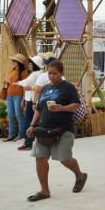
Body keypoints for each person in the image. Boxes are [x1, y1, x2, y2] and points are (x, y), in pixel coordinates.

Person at [24, 59, 87, 201]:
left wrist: (61, 108)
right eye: (49, 73)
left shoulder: (68, 88)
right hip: (43, 129)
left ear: (61, 73)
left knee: (64, 159)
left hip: (63, 129)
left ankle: (80, 175)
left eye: (54, 73)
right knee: (40, 159)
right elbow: (39, 109)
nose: (51, 76)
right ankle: (44, 191)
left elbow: (76, 105)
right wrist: (32, 125)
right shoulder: (45, 88)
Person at [16, 53, 52, 151]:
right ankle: (35, 142)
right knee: (36, 122)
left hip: (36, 101)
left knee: (31, 121)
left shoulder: (39, 74)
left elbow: (34, 87)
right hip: (35, 100)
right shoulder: (41, 74)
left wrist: (17, 83)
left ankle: (29, 142)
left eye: (45, 60)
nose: (44, 62)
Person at [3, 53, 31, 143]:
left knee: (19, 115)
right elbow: (12, 82)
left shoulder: (23, 72)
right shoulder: (12, 70)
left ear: (19, 62)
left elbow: (24, 85)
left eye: (15, 61)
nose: (13, 62)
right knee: (10, 115)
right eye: (13, 60)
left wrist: (23, 99)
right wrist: (7, 82)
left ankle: (21, 134)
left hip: (18, 96)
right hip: (9, 95)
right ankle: (11, 134)